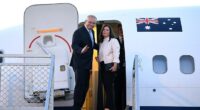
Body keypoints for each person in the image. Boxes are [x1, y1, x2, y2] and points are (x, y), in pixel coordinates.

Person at [71, 15, 98, 110]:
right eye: (90, 22)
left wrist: (103, 47)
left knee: (85, 87)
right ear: (85, 21)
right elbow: (74, 45)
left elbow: (92, 44)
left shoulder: (92, 32)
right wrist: (81, 50)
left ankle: (79, 106)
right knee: (80, 87)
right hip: (79, 64)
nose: (91, 24)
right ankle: (76, 107)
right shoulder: (78, 32)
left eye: (93, 23)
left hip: (87, 64)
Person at [98, 24, 120, 110]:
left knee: (109, 88)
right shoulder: (101, 42)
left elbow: (116, 53)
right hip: (103, 66)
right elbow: (103, 56)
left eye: (107, 30)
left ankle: (109, 107)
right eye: (103, 30)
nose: (105, 31)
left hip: (110, 66)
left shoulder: (113, 40)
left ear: (110, 31)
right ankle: (108, 106)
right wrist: (99, 58)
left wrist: (115, 65)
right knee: (106, 88)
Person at [115, 24, 126, 110]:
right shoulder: (114, 40)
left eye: (122, 29)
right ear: (117, 30)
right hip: (117, 70)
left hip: (126, 69)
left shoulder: (128, 40)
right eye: (120, 29)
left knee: (126, 90)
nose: (121, 31)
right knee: (117, 91)